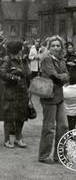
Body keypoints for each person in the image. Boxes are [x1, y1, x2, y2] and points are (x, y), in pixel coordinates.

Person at [38, 35, 69, 164]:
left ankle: (59, 155)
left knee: (63, 126)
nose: (56, 48)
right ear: (49, 47)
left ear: (61, 47)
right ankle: (44, 155)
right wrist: (63, 76)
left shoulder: (61, 59)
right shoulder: (46, 59)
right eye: (53, 46)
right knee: (49, 127)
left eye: (58, 45)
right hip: (49, 96)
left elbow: (68, 76)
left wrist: (63, 77)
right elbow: (56, 77)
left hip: (59, 96)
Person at [0, 41, 30, 148]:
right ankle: (6, 140)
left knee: (21, 116)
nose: (22, 50)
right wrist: (15, 78)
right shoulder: (8, 59)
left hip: (21, 91)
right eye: (21, 48)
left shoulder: (22, 60)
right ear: (18, 50)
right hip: (10, 92)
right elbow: (1, 74)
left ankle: (18, 139)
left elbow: (27, 73)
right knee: (9, 117)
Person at [64, 42, 76, 130]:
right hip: (67, 81)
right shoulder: (64, 57)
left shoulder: (75, 56)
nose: (70, 49)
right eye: (69, 48)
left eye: (71, 48)